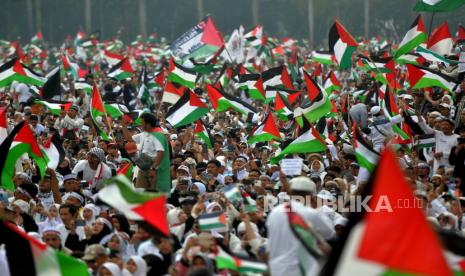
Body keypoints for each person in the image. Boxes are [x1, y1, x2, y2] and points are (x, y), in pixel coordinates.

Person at [267, 176, 334, 276]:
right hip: (301, 269)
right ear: (311, 194)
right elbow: (330, 234)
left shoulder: (275, 211)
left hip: (277, 268)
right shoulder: (311, 213)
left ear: (290, 192)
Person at [121, 113, 165, 192]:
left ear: (148, 124)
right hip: (143, 168)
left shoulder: (159, 135)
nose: (141, 124)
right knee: (140, 193)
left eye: (142, 122)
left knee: (152, 195)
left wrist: (153, 168)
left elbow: (161, 153)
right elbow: (129, 139)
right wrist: (123, 125)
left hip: (155, 170)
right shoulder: (142, 135)